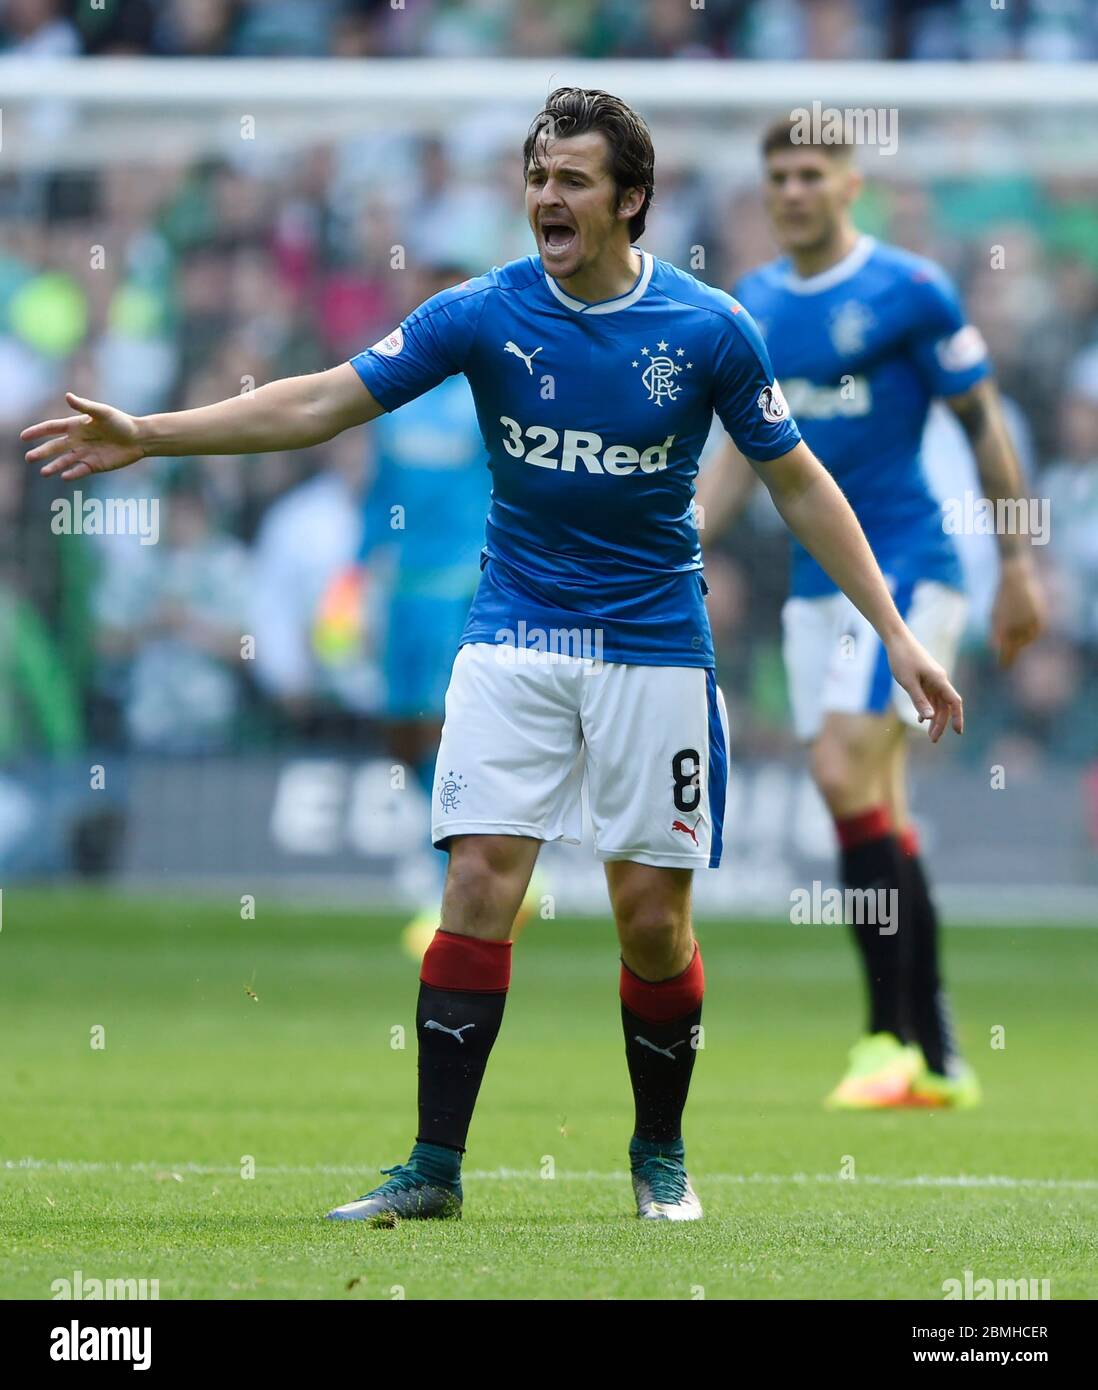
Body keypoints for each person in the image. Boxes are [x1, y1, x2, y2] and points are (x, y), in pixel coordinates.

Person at [24, 88, 963, 1224]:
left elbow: (800, 483)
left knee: (652, 921)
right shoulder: (482, 311)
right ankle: (432, 1165)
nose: (545, 198)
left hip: (653, 647)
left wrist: (898, 634)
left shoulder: (711, 328)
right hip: (512, 633)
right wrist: (151, 433)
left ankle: (659, 1154)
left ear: (631, 200)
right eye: (536, 176)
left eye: (570, 179)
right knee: (476, 883)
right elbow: (323, 400)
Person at [698, 116, 1043, 1111]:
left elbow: (984, 427)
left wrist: (1017, 562)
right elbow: (736, 457)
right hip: (820, 589)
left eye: (813, 173)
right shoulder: (753, 307)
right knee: (877, 805)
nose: (793, 190)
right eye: (778, 175)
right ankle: (938, 1055)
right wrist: (685, 541)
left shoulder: (910, 290)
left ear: (852, 184)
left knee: (841, 767)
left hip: (912, 566)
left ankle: (885, 1038)